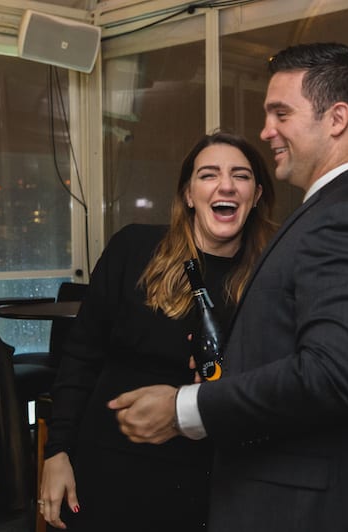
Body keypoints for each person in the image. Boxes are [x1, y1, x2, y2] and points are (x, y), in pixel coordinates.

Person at [110, 42, 348, 532]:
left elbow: (332, 376)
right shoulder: (339, 209)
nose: (266, 131)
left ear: (336, 118)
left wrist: (183, 409)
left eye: (281, 113)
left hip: (310, 511)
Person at [38, 131, 277, 531]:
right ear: (187, 194)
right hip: (108, 468)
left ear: (255, 196)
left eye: (241, 175)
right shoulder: (133, 249)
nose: (226, 185)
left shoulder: (270, 278)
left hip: (208, 480)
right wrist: (57, 451)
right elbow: (80, 355)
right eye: (208, 175)